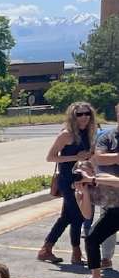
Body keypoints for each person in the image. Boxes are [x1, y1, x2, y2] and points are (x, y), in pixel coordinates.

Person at [39, 102, 98, 265]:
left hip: (81, 178)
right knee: (77, 217)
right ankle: (76, 253)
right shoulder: (66, 134)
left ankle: (46, 249)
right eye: (79, 114)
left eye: (87, 114)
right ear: (73, 116)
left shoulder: (89, 133)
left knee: (66, 217)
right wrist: (75, 157)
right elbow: (50, 157)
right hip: (67, 180)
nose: (84, 117)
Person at [76, 105, 119, 278]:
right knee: (92, 238)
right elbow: (100, 158)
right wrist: (85, 188)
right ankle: (95, 277)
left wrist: (93, 179)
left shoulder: (100, 177)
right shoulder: (91, 181)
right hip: (115, 207)